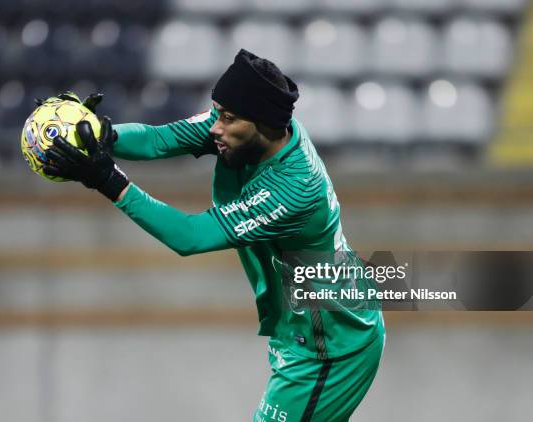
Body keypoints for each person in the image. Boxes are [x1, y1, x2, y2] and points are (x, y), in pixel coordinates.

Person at [44, 49, 385, 421]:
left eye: (227, 118)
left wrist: (108, 180)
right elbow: (162, 139)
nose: (214, 127)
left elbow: (190, 236)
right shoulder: (254, 130)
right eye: (217, 113)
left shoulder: (295, 188)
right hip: (305, 325)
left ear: (262, 124)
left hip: (332, 345)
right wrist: (99, 134)